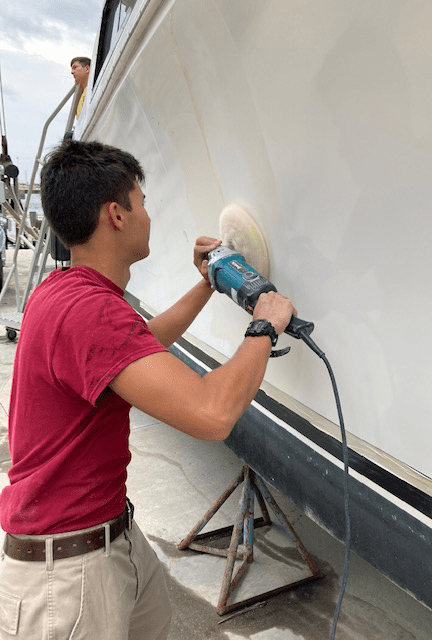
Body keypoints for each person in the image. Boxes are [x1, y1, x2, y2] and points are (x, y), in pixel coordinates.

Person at [0, 139, 295, 639]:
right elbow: (212, 413)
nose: (149, 216)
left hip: (107, 537)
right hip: (67, 576)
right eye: (143, 203)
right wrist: (263, 327)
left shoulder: (64, 291)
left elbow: (140, 345)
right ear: (116, 215)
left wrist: (209, 282)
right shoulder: (92, 311)